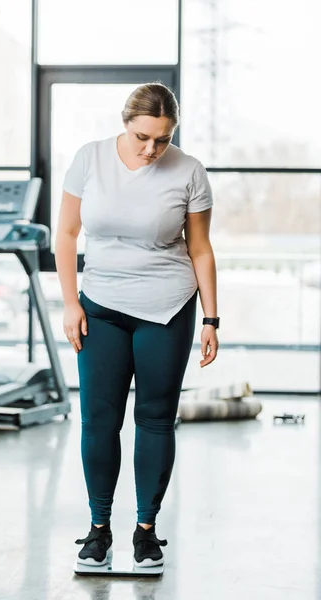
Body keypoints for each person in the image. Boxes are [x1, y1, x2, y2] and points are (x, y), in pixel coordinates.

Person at [55, 82, 219, 568]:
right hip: (100, 304)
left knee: (154, 417)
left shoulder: (189, 171)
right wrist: (70, 303)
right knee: (99, 418)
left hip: (167, 307)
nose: (152, 149)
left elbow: (201, 249)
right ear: (125, 123)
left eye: (163, 140)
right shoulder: (90, 159)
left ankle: (146, 532)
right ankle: (98, 529)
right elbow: (66, 234)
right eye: (144, 136)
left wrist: (211, 318)